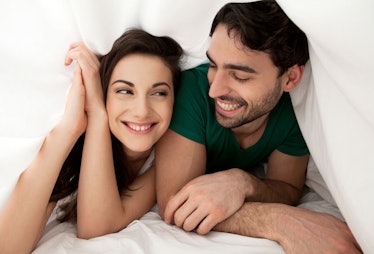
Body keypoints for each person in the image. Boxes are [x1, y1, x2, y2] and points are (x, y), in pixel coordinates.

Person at [155, 1, 361, 253]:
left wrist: (243, 182)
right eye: (213, 65)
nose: (215, 89)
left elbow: (288, 188)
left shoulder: (295, 112)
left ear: (290, 78)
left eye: (240, 76)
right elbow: (175, 204)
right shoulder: (193, 92)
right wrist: (278, 221)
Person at [0, 28, 183, 253]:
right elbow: (7, 247)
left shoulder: (169, 157)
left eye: (158, 93)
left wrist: (97, 114)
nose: (141, 111)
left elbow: (95, 227)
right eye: (125, 91)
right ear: (103, 93)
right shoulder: (75, 153)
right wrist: (69, 129)